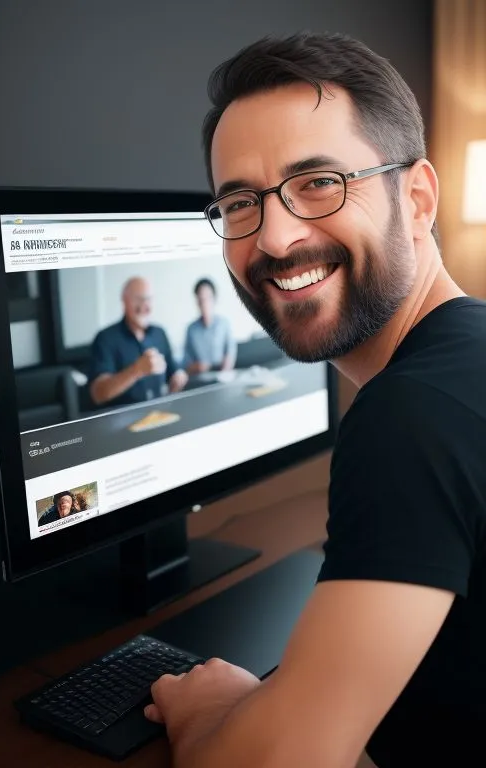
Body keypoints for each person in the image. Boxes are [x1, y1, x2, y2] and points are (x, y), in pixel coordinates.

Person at [143, 32, 486, 768]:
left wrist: (210, 712)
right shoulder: (469, 356)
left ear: (418, 196)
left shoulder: (411, 416)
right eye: (240, 201)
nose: (273, 237)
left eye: (319, 182)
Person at [89, 276, 187, 407]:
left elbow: (173, 372)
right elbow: (98, 394)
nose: (144, 306)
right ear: (124, 300)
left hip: (159, 414)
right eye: (139, 299)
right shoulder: (105, 338)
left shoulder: (160, 333)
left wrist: (179, 377)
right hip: (120, 421)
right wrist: (137, 370)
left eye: (149, 299)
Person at [183, 278, 236, 373]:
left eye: (207, 298)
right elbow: (186, 364)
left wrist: (225, 370)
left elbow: (230, 353)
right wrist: (197, 367)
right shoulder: (191, 329)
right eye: (201, 299)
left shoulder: (224, 324)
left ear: (214, 299)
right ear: (197, 301)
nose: (204, 303)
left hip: (222, 375)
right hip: (199, 377)